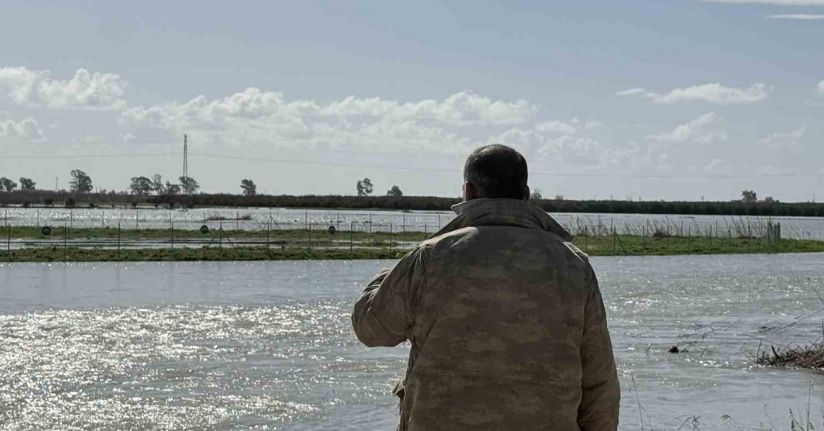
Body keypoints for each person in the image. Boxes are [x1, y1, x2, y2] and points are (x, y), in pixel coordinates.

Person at [352, 144, 620, 430]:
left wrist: (390, 272)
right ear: (526, 194)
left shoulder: (431, 257)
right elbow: (599, 381)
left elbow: (371, 329)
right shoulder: (573, 264)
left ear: (468, 191)